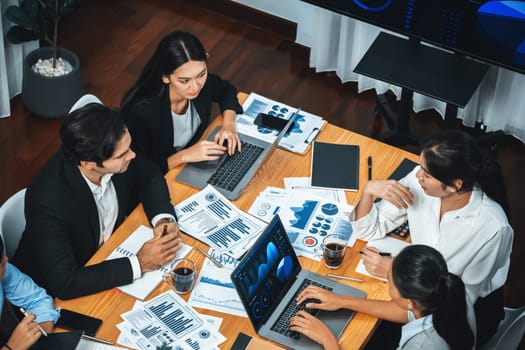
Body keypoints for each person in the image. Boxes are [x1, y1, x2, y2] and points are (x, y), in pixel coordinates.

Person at [350, 129, 513, 347]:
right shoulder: (421, 183)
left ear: (455, 184)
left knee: (364, 338)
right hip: (416, 293)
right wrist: (369, 191)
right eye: (420, 167)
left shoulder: (493, 227)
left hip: (459, 314)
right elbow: (368, 230)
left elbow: (456, 302)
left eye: (426, 174)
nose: (418, 176)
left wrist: (393, 270)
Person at [12, 96, 182, 300]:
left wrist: (163, 217)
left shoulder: (114, 146)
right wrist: (140, 263)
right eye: (122, 155)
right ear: (89, 164)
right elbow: (66, 283)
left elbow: (149, 174)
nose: (132, 156)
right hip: (55, 294)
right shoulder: (47, 201)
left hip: (109, 253)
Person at [290, 245, 475, 350]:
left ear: (409, 301)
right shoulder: (447, 289)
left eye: (390, 283)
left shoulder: (422, 346)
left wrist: (328, 341)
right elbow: (406, 313)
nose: (387, 285)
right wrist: (343, 300)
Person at [120, 30, 243, 173]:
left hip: (188, 165)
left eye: (201, 74)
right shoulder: (141, 113)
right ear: (166, 77)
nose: (196, 86)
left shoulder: (202, 83)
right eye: (184, 81)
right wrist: (184, 156)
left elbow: (226, 90)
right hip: (161, 176)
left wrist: (229, 124)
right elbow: (136, 169)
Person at [0, 235, 60, 350]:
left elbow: (37, 299)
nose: (6, 259)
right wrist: (12, 347)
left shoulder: (4, 269)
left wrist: (39, 337)